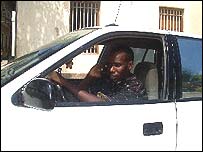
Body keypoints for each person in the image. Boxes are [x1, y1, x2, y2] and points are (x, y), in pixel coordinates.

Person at [48, 45, 146, 102]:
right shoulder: (108, 78)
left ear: (129, 65)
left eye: (117, 65)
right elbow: (80, 93)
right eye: (109, 65)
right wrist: (89, 77)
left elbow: (102, 104)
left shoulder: (135, 86)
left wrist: (63, 81)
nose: (111, 69)